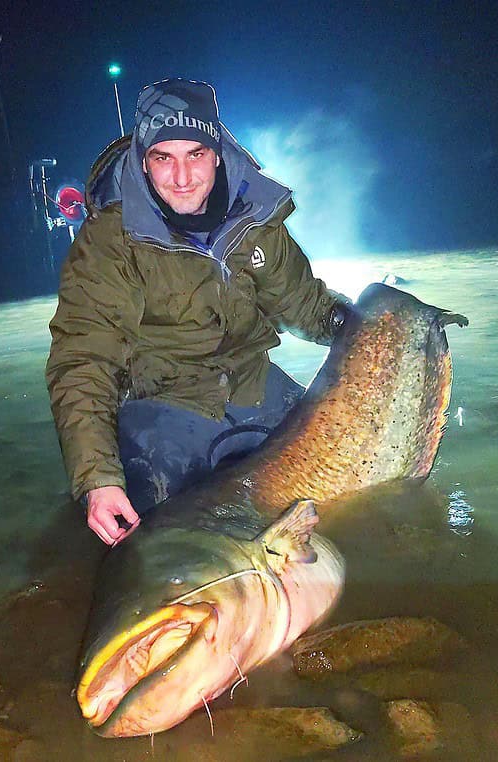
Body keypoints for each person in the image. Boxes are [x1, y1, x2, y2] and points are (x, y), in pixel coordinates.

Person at [46, 78, 348, 545]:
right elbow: (84, 361)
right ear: (143, 162)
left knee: (345, 494)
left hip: (254, 387)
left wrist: (365, 327)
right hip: (166, 407)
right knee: (152, 543)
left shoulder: (254, 220)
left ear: (218, 152)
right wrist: (97, 479)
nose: (182, 177)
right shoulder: (110, 241)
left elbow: (306, 305)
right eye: (163, 157)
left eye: (195, 154)